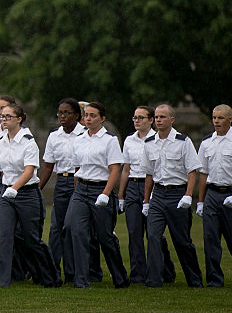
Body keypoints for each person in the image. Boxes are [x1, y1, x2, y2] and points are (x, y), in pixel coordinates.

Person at [0, 102, 59, 288]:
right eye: (2, 117)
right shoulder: (0, 141)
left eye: (8, 117)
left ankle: (49, 276)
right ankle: (1, 280)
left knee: (31, 240)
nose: (3, 120)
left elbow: (29, 171)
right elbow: (0, 168)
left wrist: (15, 187)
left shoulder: (28, 142)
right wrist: (7, 188)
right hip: (7, 193)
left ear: (19, 119)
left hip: (27, 194)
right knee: (3, 236)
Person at [63, 101, 128, 288]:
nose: (88, 119)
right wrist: (77, 192)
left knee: (104, 236)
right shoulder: (80, 139)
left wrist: (106, 193)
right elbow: (77, 168)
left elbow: (115, 169)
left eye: (93, 115)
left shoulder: (109, 140)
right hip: (81, 190)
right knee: (74, 230)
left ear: (102, 118)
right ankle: (81, 280)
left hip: (101, 190)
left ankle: (120, 278)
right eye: (86, 115)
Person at [143, 103, 203, 288]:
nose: (158, 120)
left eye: (162, 117)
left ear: (171, 119)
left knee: (182, 241)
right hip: (158, 195)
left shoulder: (182, 141)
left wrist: (187, 195)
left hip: (178, 194)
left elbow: (192, 170)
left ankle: (194, 279)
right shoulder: (149, 143)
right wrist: (146, 200)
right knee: (153, 236)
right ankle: (154, 280)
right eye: (156, 117)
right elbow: (149, 174)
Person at [118, 105, 175, 284]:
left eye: (141, 117)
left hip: (151, 186)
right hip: (133, 186)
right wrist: (121, 195)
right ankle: (138, 274)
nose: (136, 121)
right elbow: (126, 169)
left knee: (153, 233)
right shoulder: (129, 140)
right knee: (134, 231)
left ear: (151, 120)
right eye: (135, 117)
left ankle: (164, 270)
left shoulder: (157, 139)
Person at [196, 104, 232, 286]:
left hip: (231, 194)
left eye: (220, 118)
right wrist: (200, 201)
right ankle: (214, 280)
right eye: (214, 117)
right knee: (210, 239)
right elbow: (203, 173)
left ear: (230, 119)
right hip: (212, 194)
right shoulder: (206, 142)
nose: (216, 121)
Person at [38, 98, 86, 282]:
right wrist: (37, 189)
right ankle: (53, 271)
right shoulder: (54, 136)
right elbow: (48, 166)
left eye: (67, 113)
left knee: (71, 226)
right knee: (57, 228)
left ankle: (73, 272)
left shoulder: (84, 135)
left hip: (78, 183)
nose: (62, 116)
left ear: (76, 115)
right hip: (61, 183)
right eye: (60, 113)